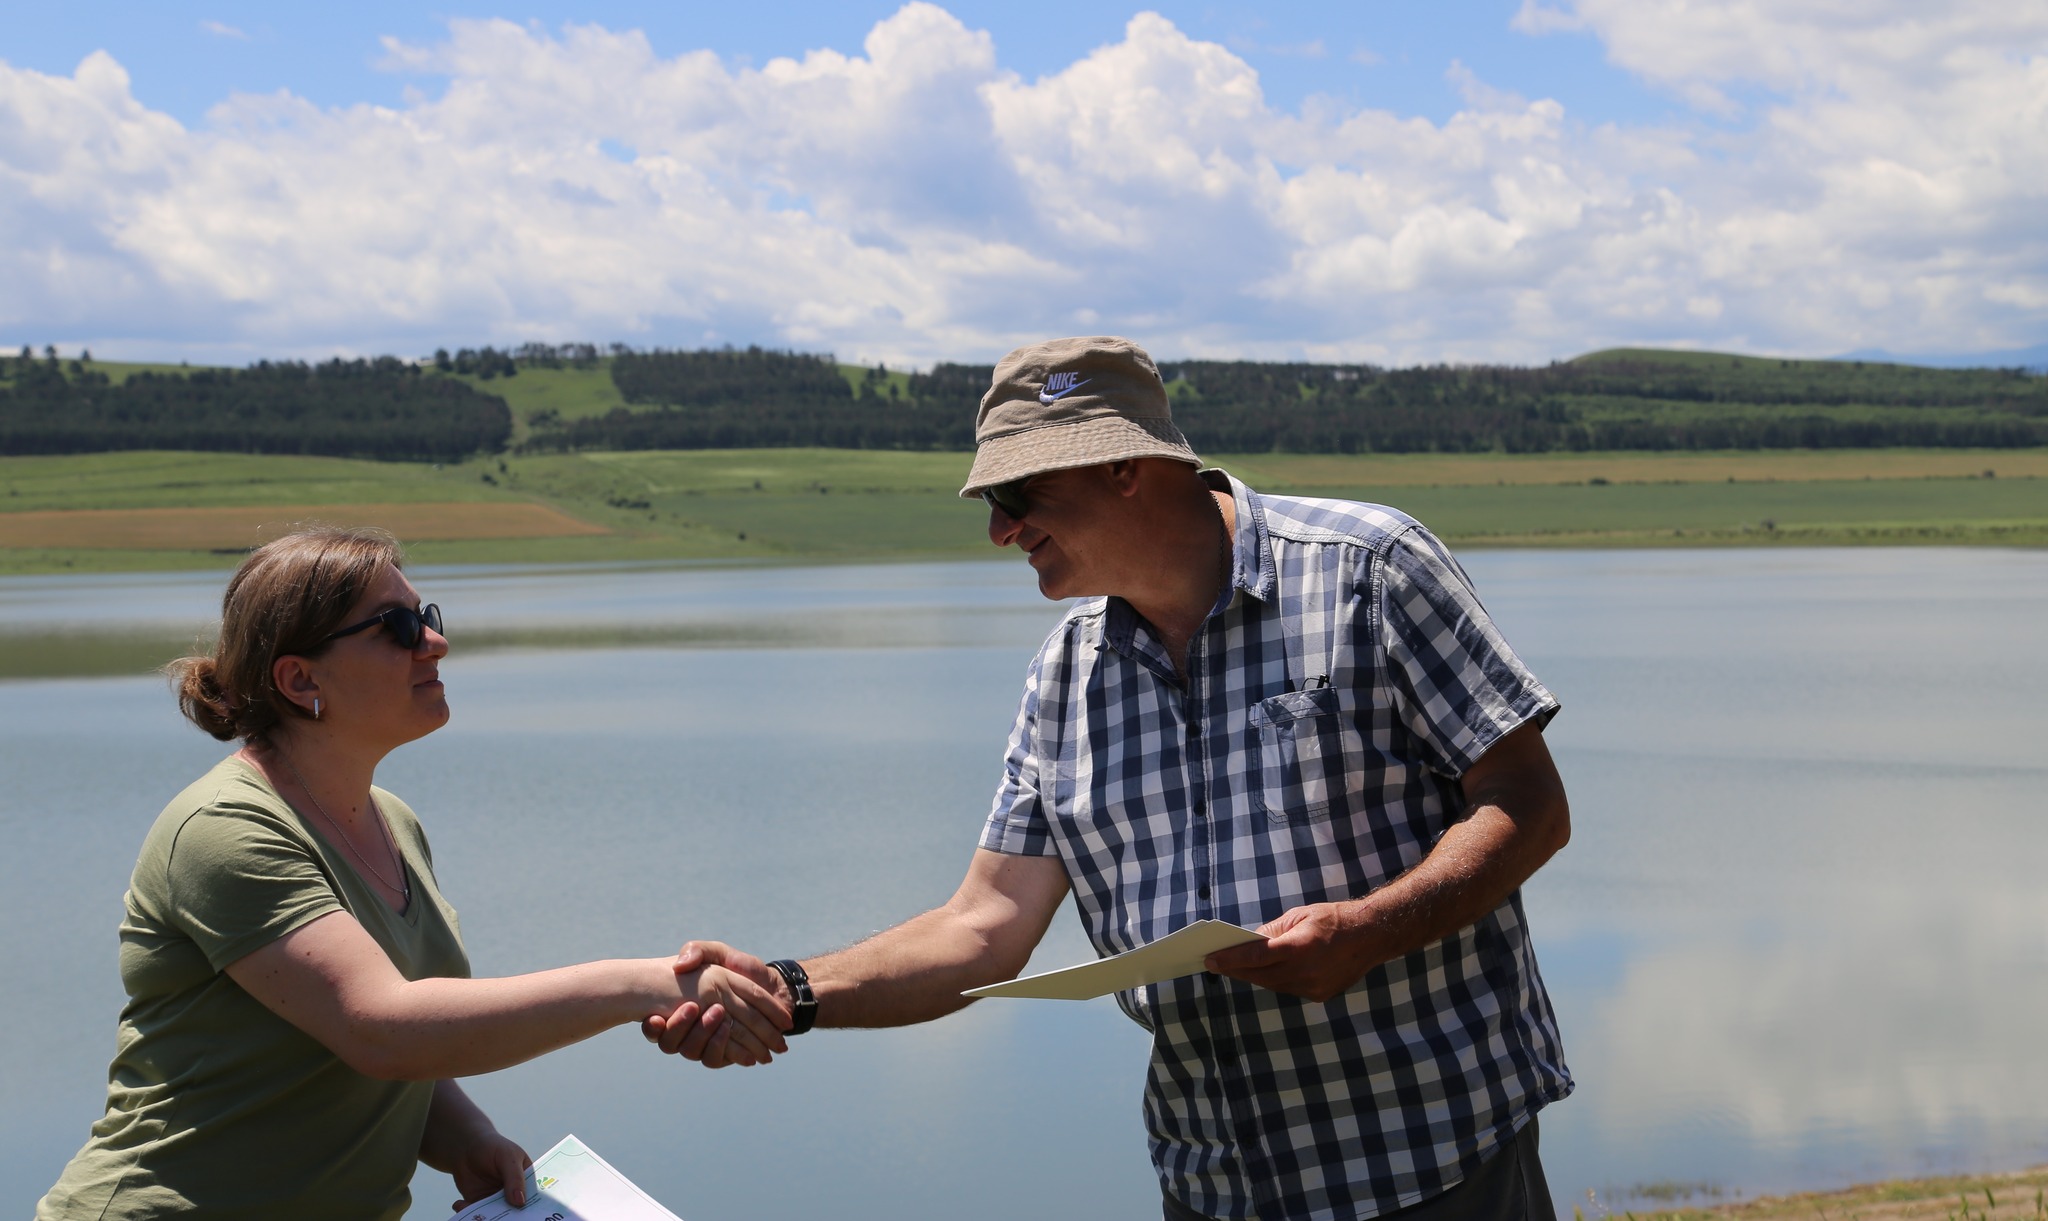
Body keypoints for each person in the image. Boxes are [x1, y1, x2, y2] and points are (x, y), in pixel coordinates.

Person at [656, 337, 1574, 1221]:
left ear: (1123, 466)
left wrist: (1369, 932)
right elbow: (981, 926)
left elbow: (1530, 806)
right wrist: (787, 988)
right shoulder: (1065, 674)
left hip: (1435, 1167)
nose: (999, 530)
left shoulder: (1370, 569)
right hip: (1213, 1189)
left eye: (1016, 493)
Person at [37, 528, 789, 1221]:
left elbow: (376, 1055)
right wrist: (642, 984)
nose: (435, 641)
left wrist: (468, 1138)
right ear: (299, 679)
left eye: (426, 615)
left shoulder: (392, 821)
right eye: (396, 627)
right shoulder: (225, 829)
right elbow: (381, 1028)